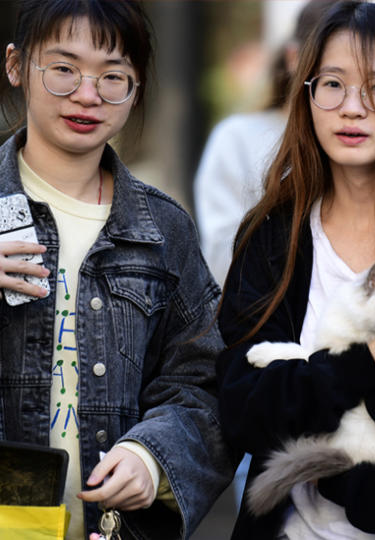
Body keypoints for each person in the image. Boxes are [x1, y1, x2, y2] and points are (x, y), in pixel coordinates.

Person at [215, 2, 375, 538]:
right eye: (332, 84)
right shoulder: (271, 236)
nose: (352, 108)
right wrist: (373, 359)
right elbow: (243, 405)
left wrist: (338, 482)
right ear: (307, 93)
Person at [0, 1, 233, 538]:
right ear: (16, 65)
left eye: (113, 77)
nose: (88, 94)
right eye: (63, 69)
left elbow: (206, 381)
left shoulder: (164, 230)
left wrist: (151, 457)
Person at [194, 0, 334, 286]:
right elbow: (221, 263)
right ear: (293, 58)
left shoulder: (363, 143)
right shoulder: (237, 139)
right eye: (331, 68)